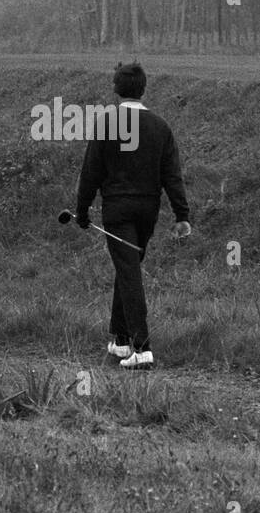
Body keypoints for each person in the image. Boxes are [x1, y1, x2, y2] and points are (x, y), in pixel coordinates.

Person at [75, 62, 191, 369]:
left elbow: (91, 173)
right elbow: (172, 175)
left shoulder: (106, 124)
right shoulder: (161, 126)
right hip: (147, 211)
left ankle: (143, 349)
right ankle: (122, 342)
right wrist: (182, 214)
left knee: (129, 272)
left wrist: (82, 209)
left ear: (116, 89)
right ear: (143, 89)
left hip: (118, 210)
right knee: (127, 268)